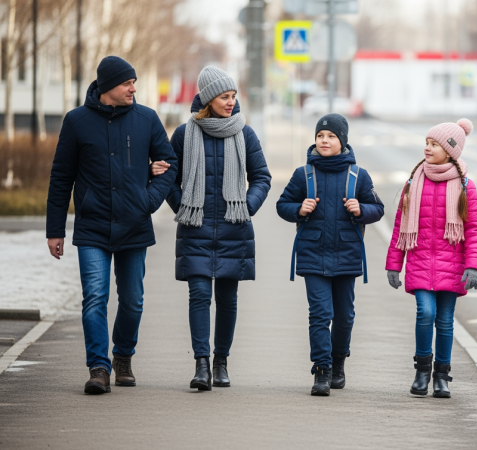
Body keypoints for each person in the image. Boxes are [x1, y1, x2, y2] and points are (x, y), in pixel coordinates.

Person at [46, 56, 178, 394]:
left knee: (133, 300)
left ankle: (122, 356)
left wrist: (148, 200)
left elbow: (170, 165)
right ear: (107, 87)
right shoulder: (76, 121)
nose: (134, 88)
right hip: (92, 226)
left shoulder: (146, 119)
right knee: (95, 298)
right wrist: (55, 229)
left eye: (134, 82)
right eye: (127, 83)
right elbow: (62, 177)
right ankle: (99, 368)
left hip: (134, 225)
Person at [153, 66, 271, 391]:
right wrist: (184, 208)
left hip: (235, 228)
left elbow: (262, 177)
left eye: (233, 96)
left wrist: (247, 206)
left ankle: (221, 362)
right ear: (208, 98)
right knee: (200, 295)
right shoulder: (184, 134)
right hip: (196, 229)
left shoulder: (244, 133)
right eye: (225, 96)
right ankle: (201, 364)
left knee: (228, 298)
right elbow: (169, 180)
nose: (231, 102)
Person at [276, 114, 384, 396]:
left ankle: (338, 361)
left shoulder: (358, 176)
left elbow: (378, 209)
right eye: (320, 136)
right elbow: (282, 204)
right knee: (320, 314)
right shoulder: (304, 174)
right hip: (312, 254)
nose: (324, 141)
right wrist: (299, 209)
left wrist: (362, 210)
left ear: (342, 141)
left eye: (331, 136)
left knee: (345, 316)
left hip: (347, 254)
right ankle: (321, 370)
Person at [385, 119, 477, 398]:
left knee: (446, 321)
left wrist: (473, 265)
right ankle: (422, 371)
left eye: (434, 144)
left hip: (451, 266)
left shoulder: (465, 186)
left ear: (450, 151)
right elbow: (400, 225)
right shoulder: (414, 181)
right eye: (427, 142)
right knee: (425, 313)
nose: (427, 148)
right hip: (419, 262)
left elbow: (474, 229)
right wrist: (394, 264)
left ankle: (442, 376)